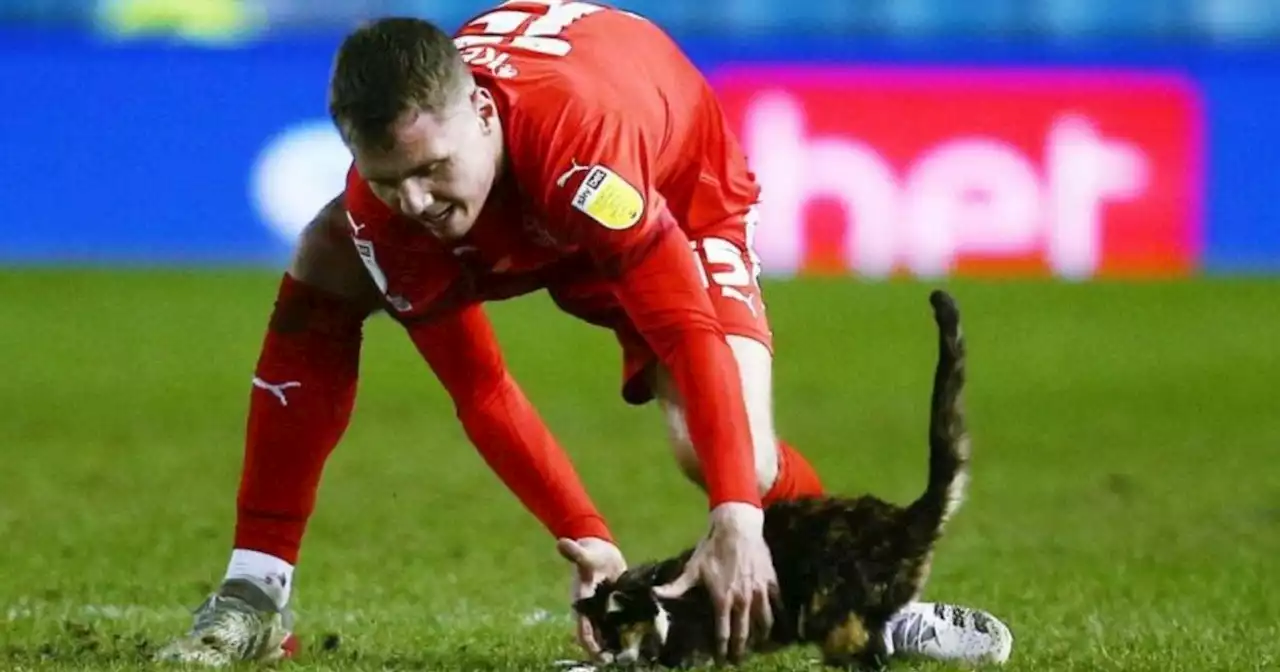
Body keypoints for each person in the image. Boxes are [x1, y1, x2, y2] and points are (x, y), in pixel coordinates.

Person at [156, 1, 1012, 667]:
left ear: (482, 115)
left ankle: (876, 608)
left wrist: (736, 516)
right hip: (537, 215)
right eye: (389, 180)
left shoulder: (581, 145)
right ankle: (254, 594)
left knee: (729, 459)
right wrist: (588, 532)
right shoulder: (393, 214)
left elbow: (682, 329)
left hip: (677, 194)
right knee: (325, 260)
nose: (415, 202)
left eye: (429, 171)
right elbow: (480, 389)